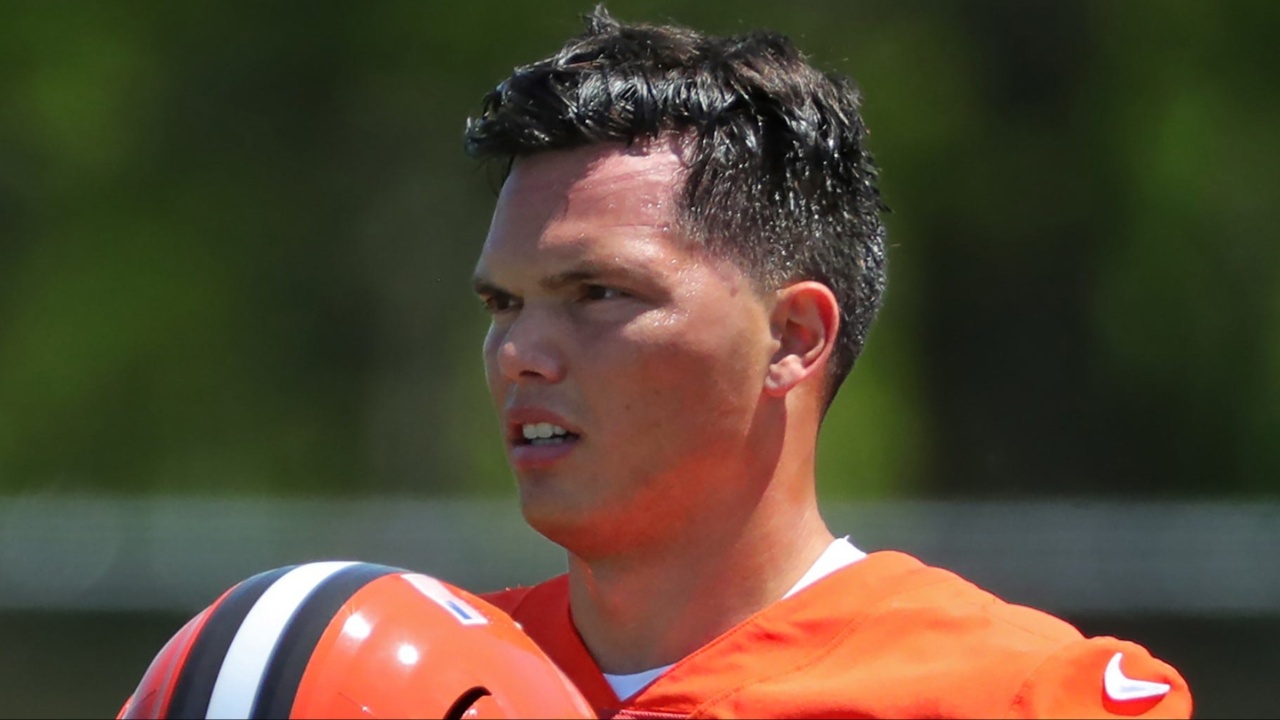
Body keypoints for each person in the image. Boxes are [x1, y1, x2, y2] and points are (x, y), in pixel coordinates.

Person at [464, 7, 1192, 718]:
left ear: (792, 337)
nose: (520, 355)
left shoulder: (1015, 697)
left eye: (597, 294)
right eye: (504, 304)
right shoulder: (432, 671)